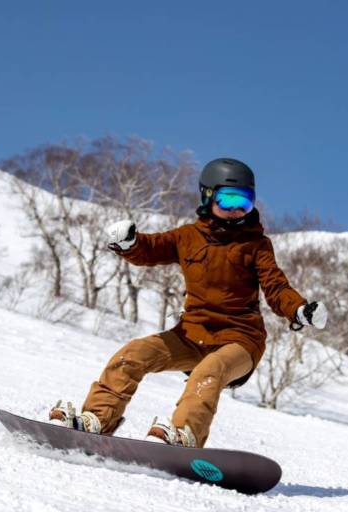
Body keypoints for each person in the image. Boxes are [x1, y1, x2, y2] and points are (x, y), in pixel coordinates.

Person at [49, 158, 328, 448]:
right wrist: (130, 244)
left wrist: (298, 309)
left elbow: (275, 285)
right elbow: (152, 248)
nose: (235, 210)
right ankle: (96, 419)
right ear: (208, 197)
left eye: (244, 202)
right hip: (192, 336)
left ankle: (185, 437)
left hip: (241, 341)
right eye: (227, 200)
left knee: (208, 372)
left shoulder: (256, 245)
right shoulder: (188, 237)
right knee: (133, 354)